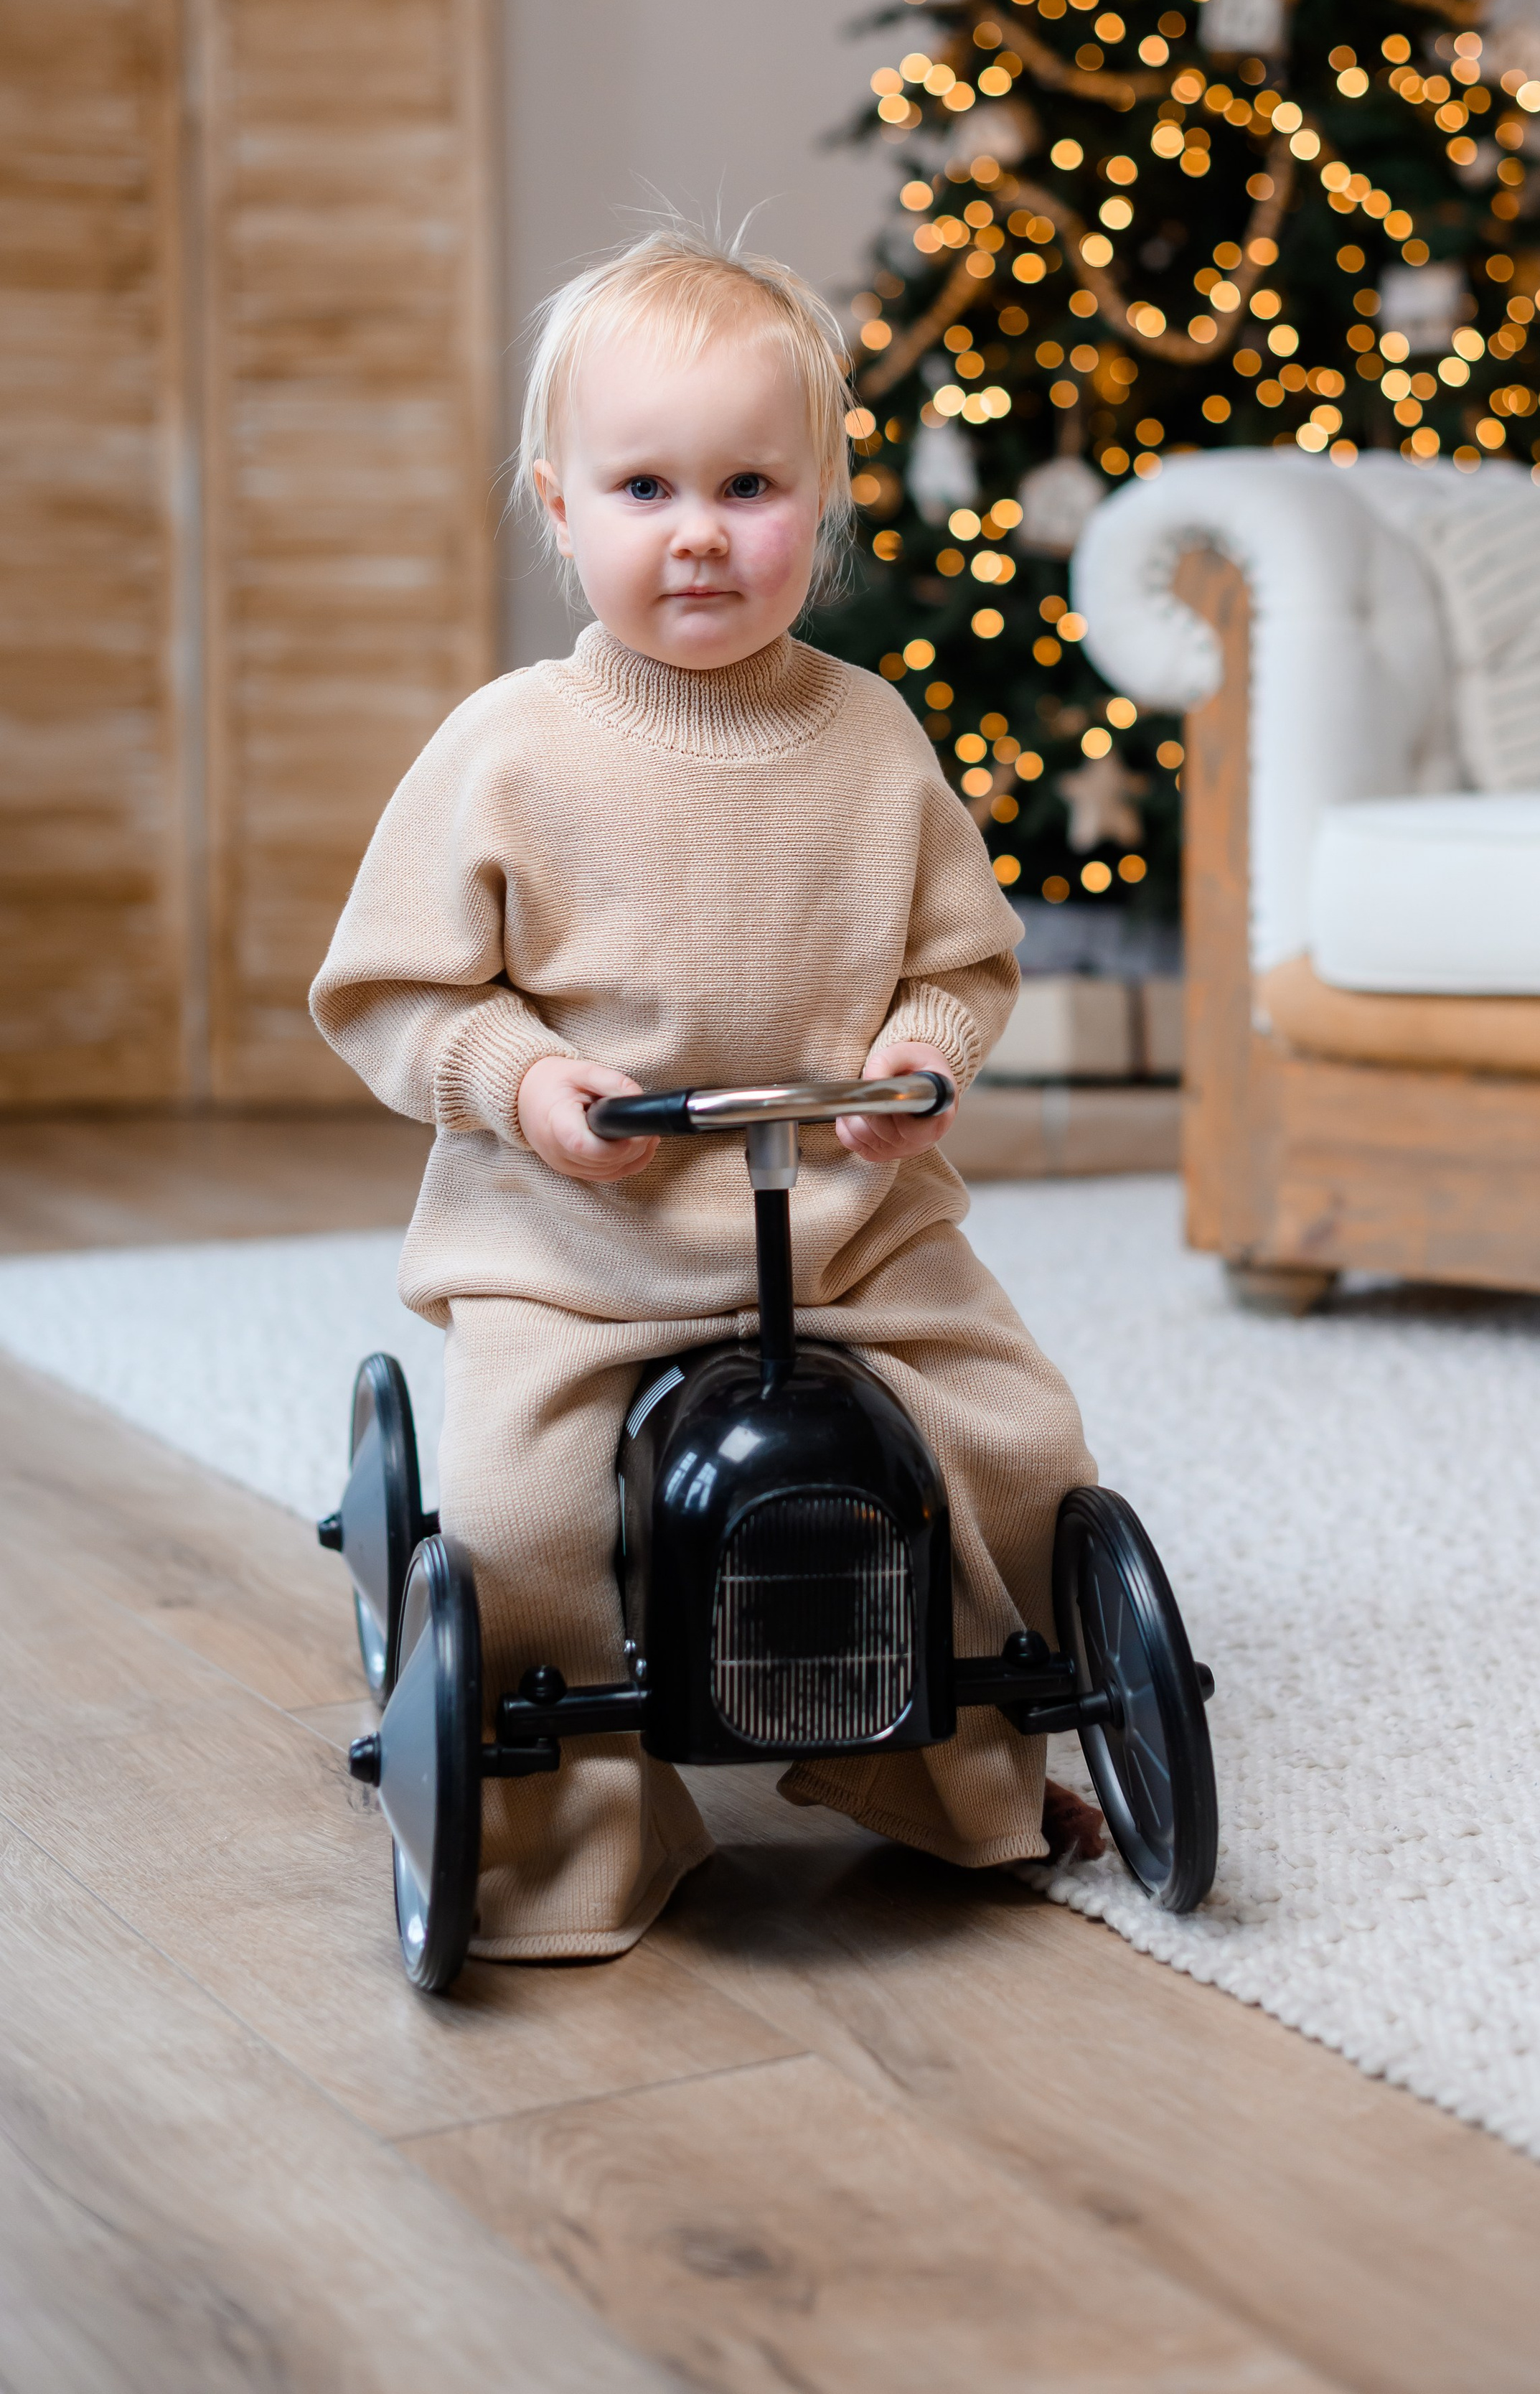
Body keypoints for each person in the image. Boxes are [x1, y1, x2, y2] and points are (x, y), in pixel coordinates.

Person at [310, 225, 1104, 1963]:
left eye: (748, 485)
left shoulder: (870, 738)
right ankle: (577, 1825)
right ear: (558, 503)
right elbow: (390, 991)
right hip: (572, 1244)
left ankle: (939, 1770)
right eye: (643, 484)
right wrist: (520, 1085)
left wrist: (918, 1064)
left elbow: (958, 965)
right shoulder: (509, 748)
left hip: (844, 1225)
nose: (695, 530)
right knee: (519, 1524)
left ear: (820, 502)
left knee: (1024, 1450)